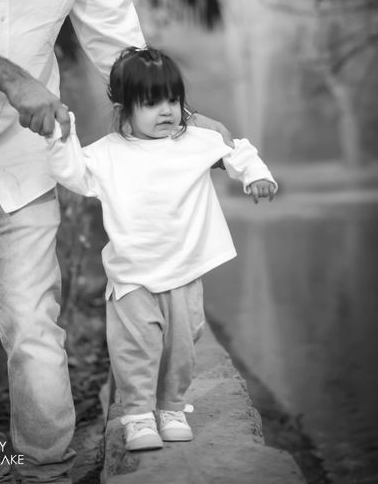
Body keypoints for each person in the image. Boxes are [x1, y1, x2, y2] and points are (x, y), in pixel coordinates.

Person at [0, 0, 232, 482]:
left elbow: (118, 45)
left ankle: (46, 470)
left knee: (34, 326)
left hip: (27, 153)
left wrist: (184, 121)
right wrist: (13, 79)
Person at [45, 47, 278, 452]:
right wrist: (61, 136)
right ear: (123, 109)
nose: (166, 111)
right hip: (133, 274)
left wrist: (256, 175)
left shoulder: (194, 141)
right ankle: (137, 416)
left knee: (183, 345)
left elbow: (235, 149)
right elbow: (73, 174)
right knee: (136, 347)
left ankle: (171, 407)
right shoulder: (107, 153)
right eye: (151, 103)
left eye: (172, 100)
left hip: (185, 270)